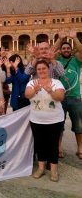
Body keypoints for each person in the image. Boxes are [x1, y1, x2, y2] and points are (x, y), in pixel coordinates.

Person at [25, 60, 65, 182]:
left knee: (53, 145)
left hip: (55, 120)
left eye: (44, 68)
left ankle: (53, 170)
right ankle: (41, 168)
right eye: (39, 69)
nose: (41, 71)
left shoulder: (56, 82)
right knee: (39, 144)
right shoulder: (32, 82)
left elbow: (60, 97)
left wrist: (51, 91)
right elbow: (27, 95)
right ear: (36, 71)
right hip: (37, 120)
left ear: (48, 69)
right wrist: (35, 89)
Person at [55, 29, 82, 159]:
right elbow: (50, 52)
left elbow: (81, 51)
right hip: (60, 98)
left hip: (75, 97)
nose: (66, 50)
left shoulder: (77, 60)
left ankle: (80, 149)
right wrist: (60, 39)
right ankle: (59, 148)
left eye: (68, 48)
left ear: (71, 50)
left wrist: (75, 38)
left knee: (79, 125)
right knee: (59, 124)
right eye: (64, 48)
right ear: (61, 50)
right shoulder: (57, 60)